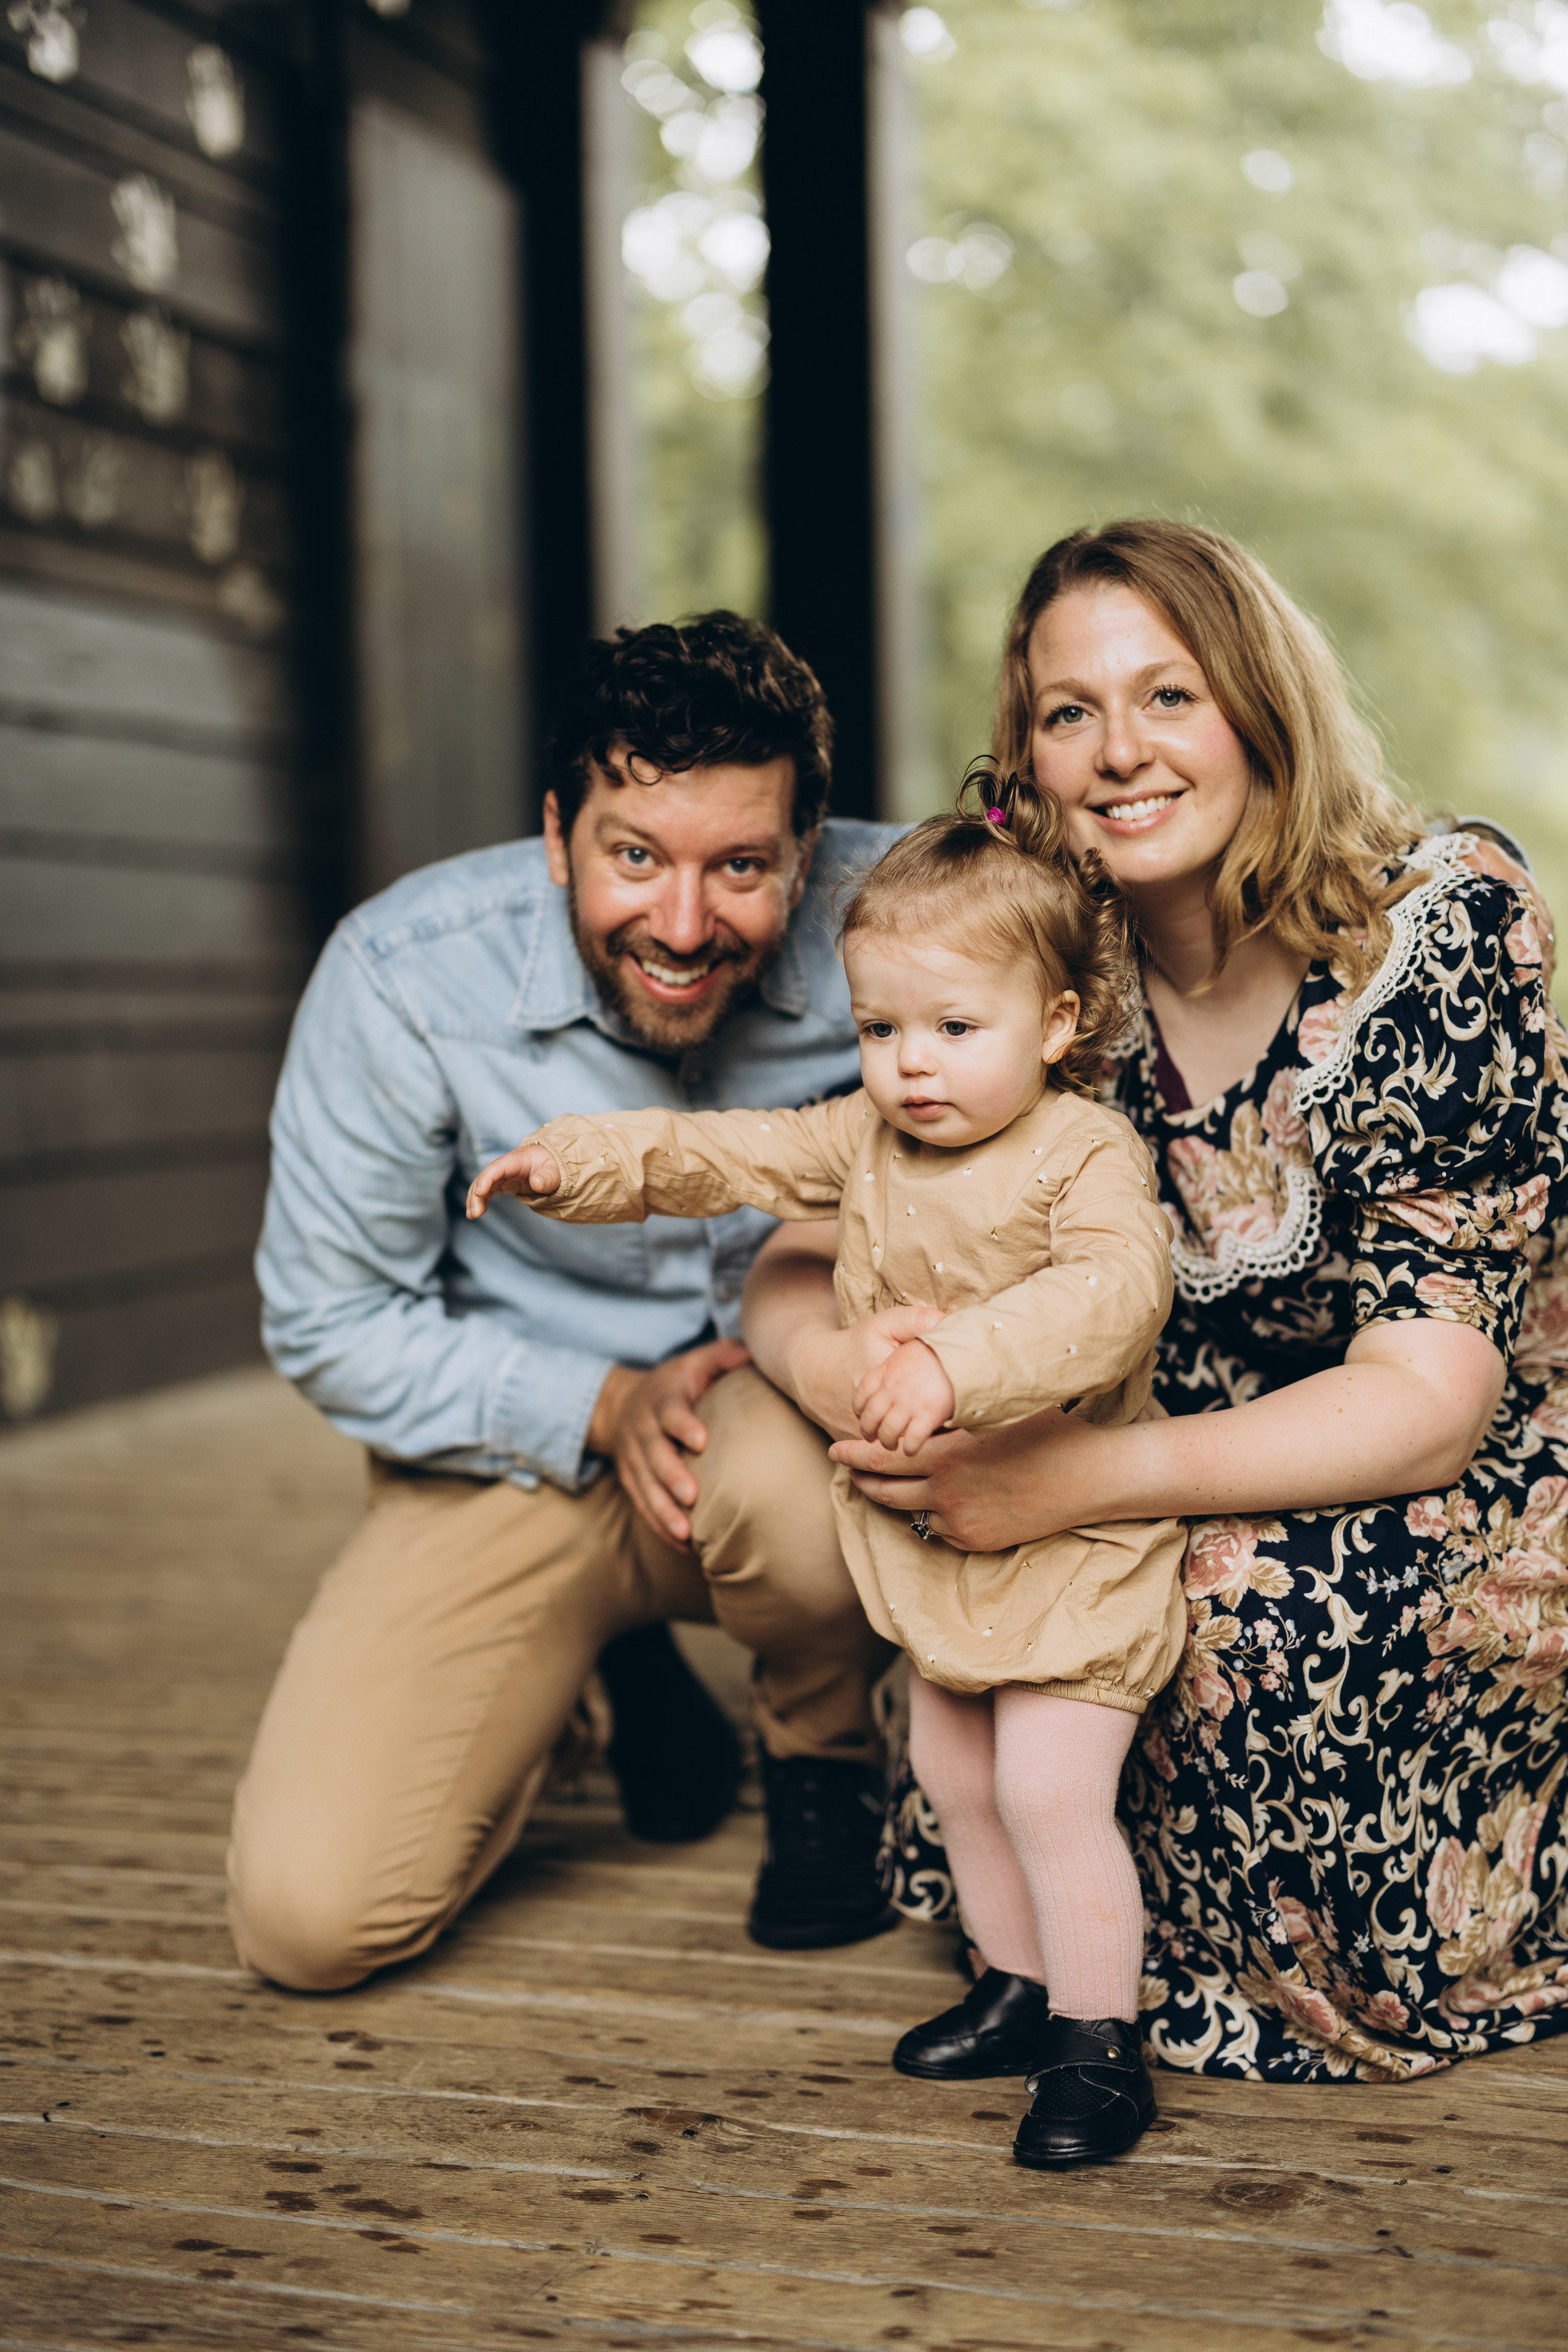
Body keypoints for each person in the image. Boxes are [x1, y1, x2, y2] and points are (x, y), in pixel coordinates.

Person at [742, 518, 1568, 2087]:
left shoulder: (1430, 930)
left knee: (1231, 1623)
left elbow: (1427, 1400)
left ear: (1258, 707)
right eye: (1068, 713)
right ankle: (1039, 1973)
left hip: (1459, 1447)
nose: (1118, 752)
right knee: (979, 1609)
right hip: (1134, 1439)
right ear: (1026, 757)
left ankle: (1188, 1986)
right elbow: (793, 1248)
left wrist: (1066, 1480)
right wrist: (870, 1375)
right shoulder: (1038, 961)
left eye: (1167, 696)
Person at [466, 769, 1187, 2165]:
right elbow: (716, 1153)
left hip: (1069, 1546)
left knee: (1046, 1788)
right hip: (943, 1552)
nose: (910, 1063)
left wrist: (951, 1366)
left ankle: (1102, 2045)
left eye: (954, 1028)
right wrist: (577, 1162)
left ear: (1055, 1027)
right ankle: (1015, 1986)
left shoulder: (1081, 1154)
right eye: (879, 1028)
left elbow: (1110, 1296)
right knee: (952, 1772)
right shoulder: (865, 1138)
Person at [227, 612, 914, 1993]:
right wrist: (599, 1405)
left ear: (811, 855)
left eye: (740, 868)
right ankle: (599, 1683)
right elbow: (330, 1317)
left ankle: (817, 1755)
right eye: (633, 858)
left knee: (788, 1479)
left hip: (789, 1443)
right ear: (558, 838)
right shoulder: (404, 975)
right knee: (310, 1921)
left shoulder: (912, 922)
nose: (679, 923)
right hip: (511, 1452)